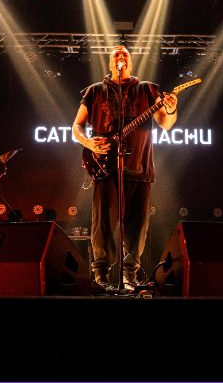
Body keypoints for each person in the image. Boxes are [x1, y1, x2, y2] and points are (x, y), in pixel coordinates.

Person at [73, 46, 178, 290]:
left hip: (140, 167)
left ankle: (130, 275)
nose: (121, 57)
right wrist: (88, 142)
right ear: (110, 64)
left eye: (125, 55)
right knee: (102, 224)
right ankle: (101, 275)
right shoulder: (94, 91)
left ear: (130, 63)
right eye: (116, 56)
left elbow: (165, 123)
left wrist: (171, 108)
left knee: (137, 226)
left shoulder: (147, 89)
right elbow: (77, 125)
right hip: (105, 168)